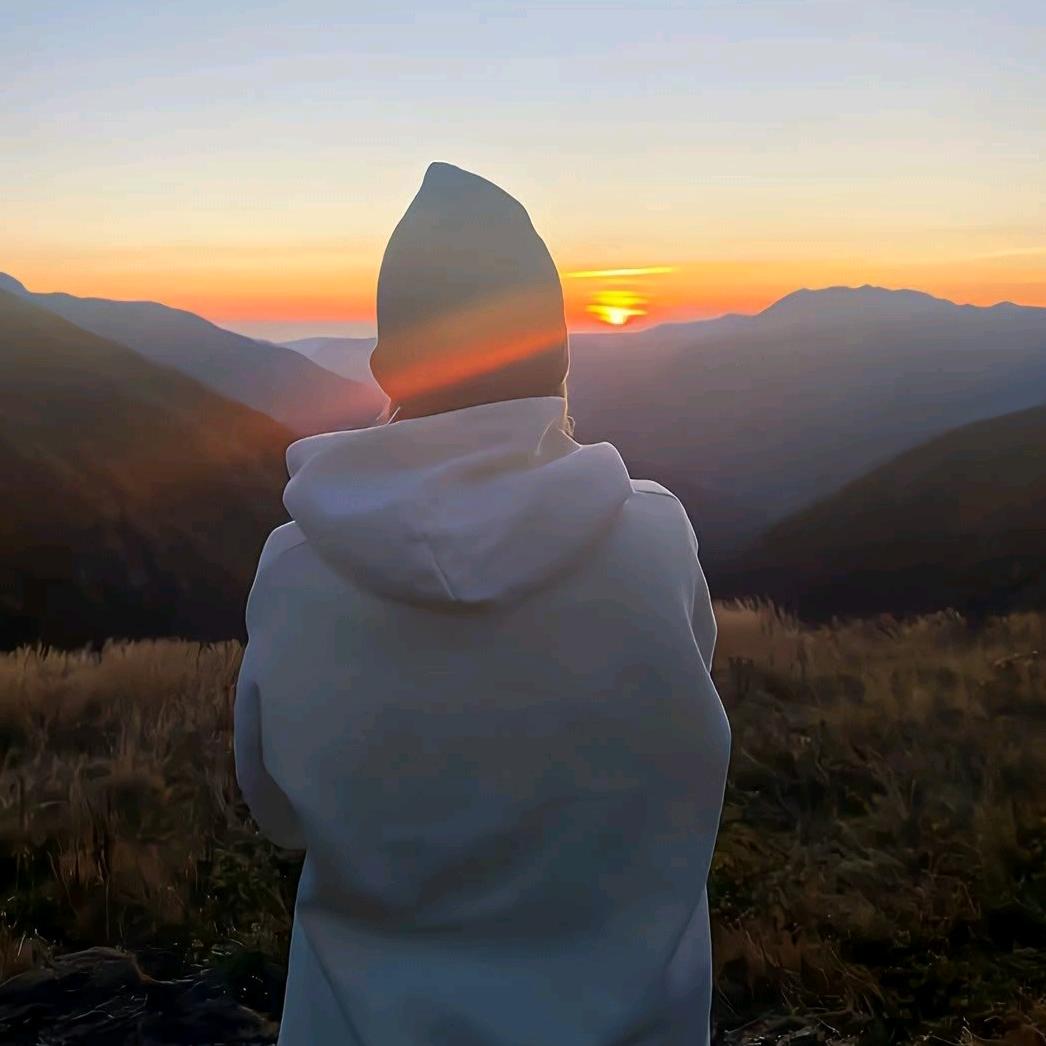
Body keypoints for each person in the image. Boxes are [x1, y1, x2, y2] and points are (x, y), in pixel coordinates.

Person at [234, 161, 731, 1046]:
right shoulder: (657, 543)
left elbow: (275, 810)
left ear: (390, 364)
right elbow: (682, 741)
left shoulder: (295, 569)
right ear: (556, 356)